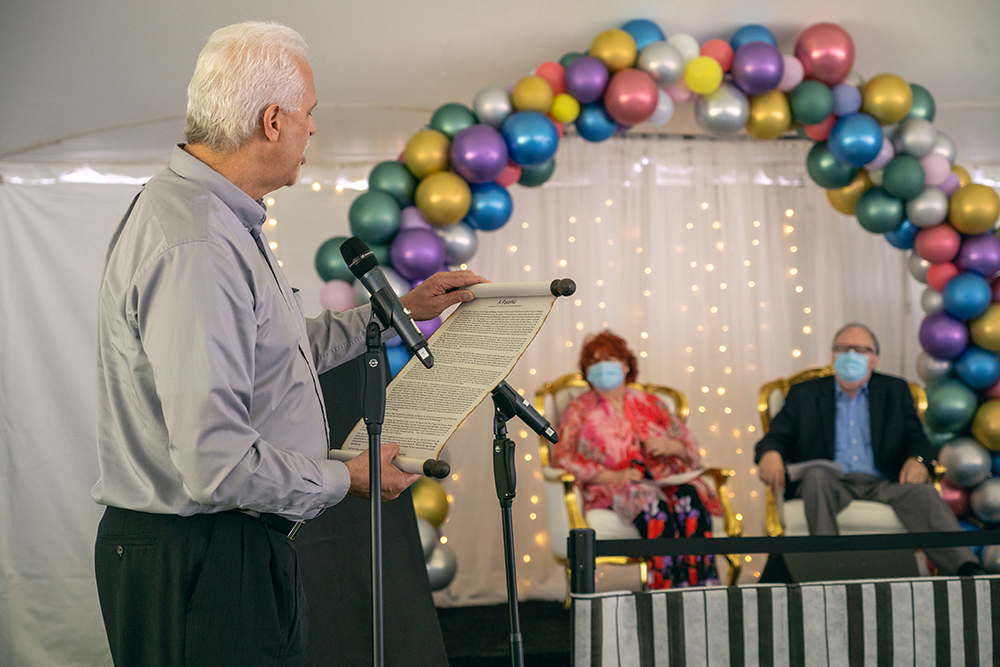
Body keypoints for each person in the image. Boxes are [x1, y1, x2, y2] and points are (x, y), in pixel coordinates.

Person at [91, 22, 486, 666]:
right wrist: (343, 477)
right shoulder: (198, 242)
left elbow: (275, 352)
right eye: (310, 115)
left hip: (219, 549)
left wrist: (396, 312)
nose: (311, 132)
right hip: (203, 557)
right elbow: (216, 464)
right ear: (273, 121)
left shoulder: (216, 216)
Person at [755, 322, 983, 576]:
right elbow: (774, 438)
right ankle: (828, 568)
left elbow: (918, 440)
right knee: (816, 477)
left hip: (884, 483)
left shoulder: (895, 391)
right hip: (831, 482)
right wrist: (770, 453)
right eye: (844, 348)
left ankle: (967, 570)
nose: (851, 355)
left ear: (874, 359)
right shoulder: (804, 394)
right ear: (833, 355)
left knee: (925, 494)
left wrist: (917, 460)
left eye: (861, 350)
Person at [552, 331, 722, 589]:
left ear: (626, 364)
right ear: (587, 372)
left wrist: (670, 445)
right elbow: (563, 458)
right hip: (616, 487)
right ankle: (664, 593)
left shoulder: (652, 403)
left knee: (692, 499)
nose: (602, 367)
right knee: (655, 507)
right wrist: (614, 476)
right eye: (594, 362)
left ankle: (701, 589)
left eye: (609, 359)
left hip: (665, 479)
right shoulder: (579, 409)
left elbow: (691, 447)